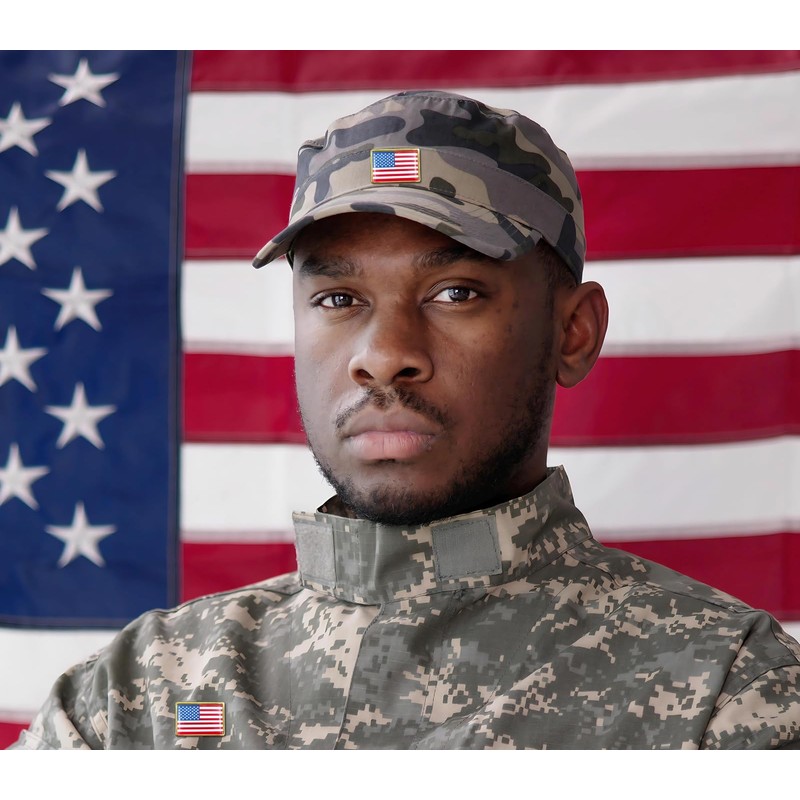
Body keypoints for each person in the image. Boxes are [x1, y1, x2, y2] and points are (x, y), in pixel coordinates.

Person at [11, 90, 800, 750]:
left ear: (572, 333)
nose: (384, 355)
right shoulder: (142, 700)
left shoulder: (722, 694)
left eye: (455, 293)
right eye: (338, 298)